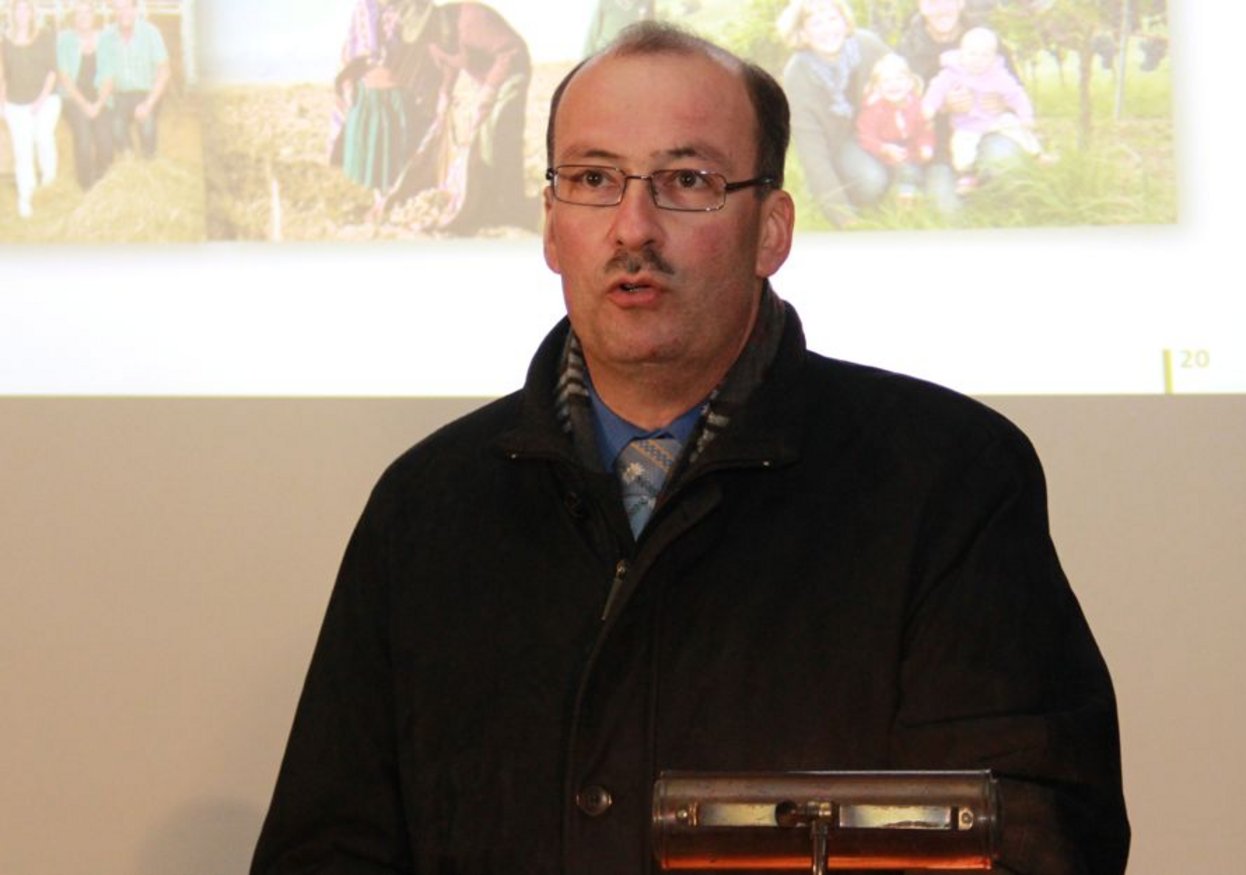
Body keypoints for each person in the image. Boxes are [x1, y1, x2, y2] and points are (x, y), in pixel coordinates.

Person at [250, 21, 1130, 875]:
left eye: (687, 179)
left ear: (772, 230)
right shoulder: (426, 504)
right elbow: (325, 849)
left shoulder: (948, 478)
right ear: (552, 226)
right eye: (594, 178)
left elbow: (1039, 832)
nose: (633, 226)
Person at [776, 0, 890, 227]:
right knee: (871, 180)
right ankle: (831, 190)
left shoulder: (868, 45)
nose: (828, 29)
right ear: (803, 32)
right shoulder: (797, 75)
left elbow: (906, 83)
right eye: (816, 23)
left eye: (832, 19)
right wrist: (843, 217)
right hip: (838, 146)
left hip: (882, 133)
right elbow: (813, 153)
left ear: (844, 22)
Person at [427, 2, 534, 231]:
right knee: (482, 136)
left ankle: (511, 207)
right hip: (485, 77)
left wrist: (489, 90)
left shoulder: (472, 20)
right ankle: (486, 201)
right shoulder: (433, 34)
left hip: (511, 71)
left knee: (498, 134)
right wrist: (444, 94)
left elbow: (510, 52)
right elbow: (449, 62)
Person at [921, 26, 1046, 194]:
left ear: (993, 58)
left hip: (995, 120)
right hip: (967, 125)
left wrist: (1026, 116)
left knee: (1016, 128)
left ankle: (1037, 154)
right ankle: (967, 175)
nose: (978, 59)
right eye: (972, 54)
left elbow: (1017, 94)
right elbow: (935, 90)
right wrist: (929, 108)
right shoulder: (951, 73)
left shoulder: (998, 74)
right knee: (962, 150)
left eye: (985, 55)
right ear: (961, 54)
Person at [332, 0, 412, 192]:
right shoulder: (364, 8)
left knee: (397, 141)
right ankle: (370, 193)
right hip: (367, 88)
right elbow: (353, 48)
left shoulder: (408, 7)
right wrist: (349, 82)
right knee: (367, 141)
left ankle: (394, 190)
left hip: (398, 86)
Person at [1, 0, 61, 219]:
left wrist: (40, 100)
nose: (23, 13)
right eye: (18, 9)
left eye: (27, 8)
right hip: (16, 103)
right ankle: (26, 196)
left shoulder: (44, 36)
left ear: (33, 12)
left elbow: (52, 71)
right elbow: (4, 73)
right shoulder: (6, 41)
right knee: (22, 149)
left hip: (46, 100)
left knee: (43, 138)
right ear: (13, 13)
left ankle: (49, 187)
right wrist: (2, 102)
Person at [856, 52, 935, 203]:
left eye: (899, 79)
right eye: (887, 81)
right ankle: (900, 198)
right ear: (877, 87)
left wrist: (926, 146)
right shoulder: (874, 109)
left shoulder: (916, 104)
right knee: (899, 174)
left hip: (909, 154)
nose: (894, 84)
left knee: (913, 172)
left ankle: (911, 194)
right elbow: (865, 136)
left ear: (910, 82)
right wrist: (883, 148)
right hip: (882, 156)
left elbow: (925, 129)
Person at [96, 0, 170, 159]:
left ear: (135, 9)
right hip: (119, 93)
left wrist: (148, 103)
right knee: (115, 126)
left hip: (146, 91)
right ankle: (128, 159)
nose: (123, 13)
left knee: (147, 123)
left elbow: (164, 71)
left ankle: (149, 159)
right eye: (117, 8)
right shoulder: (106, 37)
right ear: (113, 12)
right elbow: (104, 75)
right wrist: (103, 102)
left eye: (127, 7)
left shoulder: (151, 33)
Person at [55, 0, 111, 190]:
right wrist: (85, 105)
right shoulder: (65, 40)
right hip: (73, 98)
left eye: (87, 12)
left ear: (93, 16)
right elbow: (64, 78)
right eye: (79, 13)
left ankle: (102, 182)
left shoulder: (105, 40)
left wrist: (99, 103)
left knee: (105, 141)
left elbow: (110, 76)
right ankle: (86, 187)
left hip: (100, 97)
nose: (83, 17)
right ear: (74, 18)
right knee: (84, 139)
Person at [583, 0, 655, 56]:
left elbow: (648, 29)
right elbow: (594, 29)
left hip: (631, 51)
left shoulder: (646, 2)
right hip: (604, 50)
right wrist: (586, 55)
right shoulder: (606, 1)